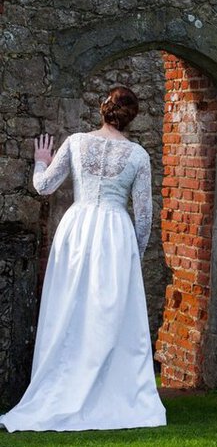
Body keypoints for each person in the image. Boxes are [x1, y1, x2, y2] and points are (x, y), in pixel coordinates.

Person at [0, 86, 167, 432]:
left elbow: (44, 186)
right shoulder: (138, 156)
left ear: (102, 110)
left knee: (70, 306)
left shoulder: (76, 142)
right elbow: (146, 217)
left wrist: (40, 163)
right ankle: (111, 388)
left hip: (77, 229)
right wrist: (133, 254)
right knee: (110, 312)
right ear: (132, 117)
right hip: (115, 233)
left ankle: (64, 383)